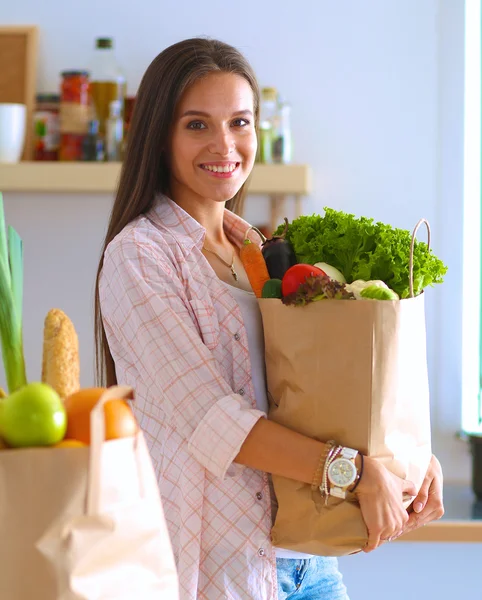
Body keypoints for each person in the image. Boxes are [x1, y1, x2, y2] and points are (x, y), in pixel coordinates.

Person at [94, 37, 444, 600]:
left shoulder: (259, 249)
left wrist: (408, 459)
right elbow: (213, 420)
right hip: (219, 571)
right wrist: (353, 471)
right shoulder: (140, 257)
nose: (225, 144)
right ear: (159, 136)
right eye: (197, 125)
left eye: (239, 121)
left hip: (312, 560)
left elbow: (315, 393)